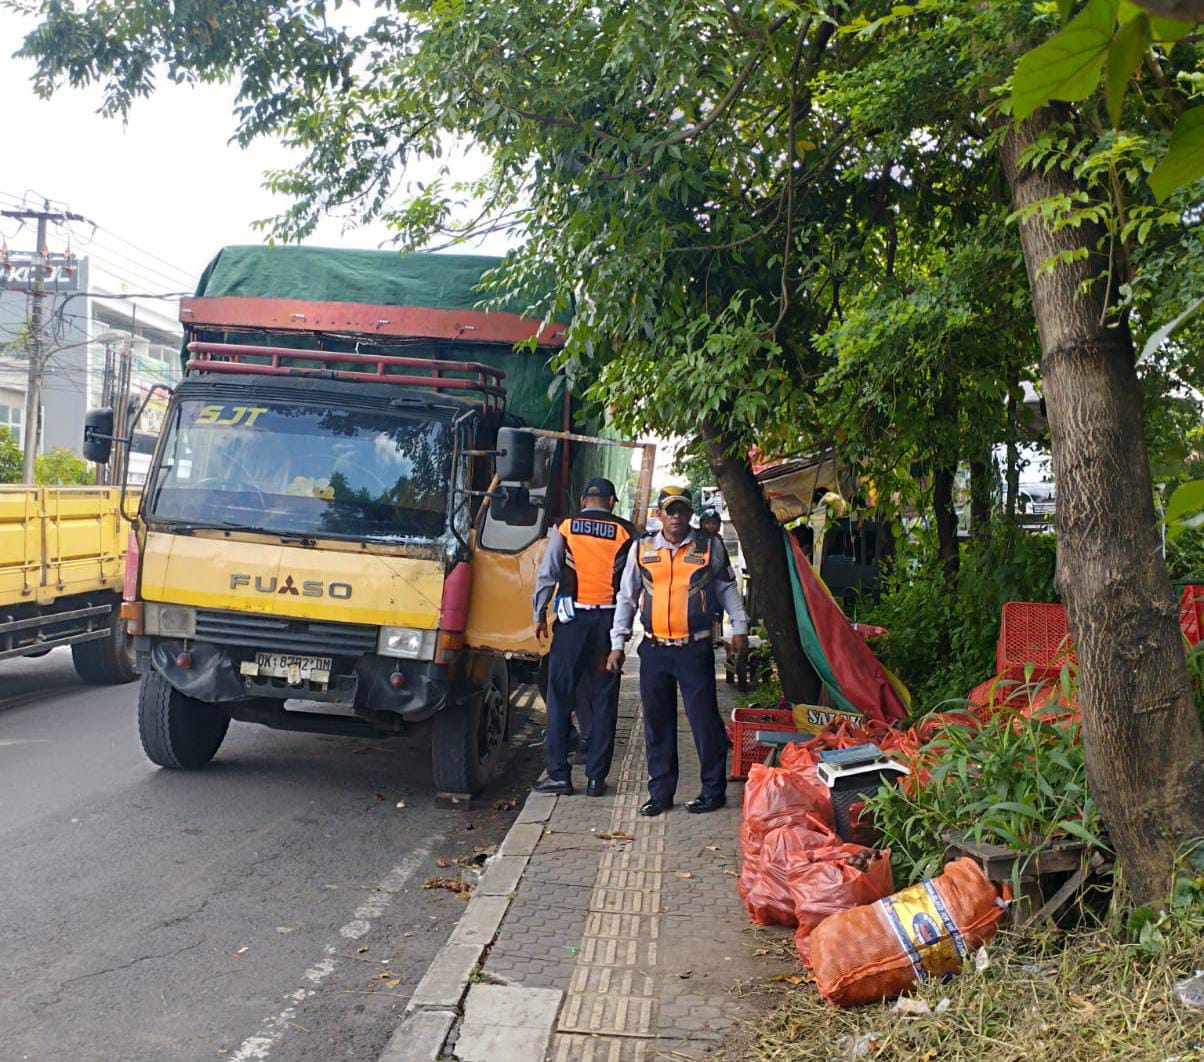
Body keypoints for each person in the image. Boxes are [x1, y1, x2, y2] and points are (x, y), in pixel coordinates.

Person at [607, 486, 748, 817]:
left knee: (704, 722)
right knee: (657, 723)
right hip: (654, 650)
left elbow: (726, 587)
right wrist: (617, 643)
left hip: (694, 649)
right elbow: (626, 597)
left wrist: (739, 628)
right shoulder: (641, 548)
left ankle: (713, 791)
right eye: (670, 511)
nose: (676, 517)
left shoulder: (708, 546)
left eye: (682, 511)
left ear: (689, 514)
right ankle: (660, 792)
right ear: (659, 514)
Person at [531, 478, 637, 797]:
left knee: (560, 694)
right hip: (608, 623)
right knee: (604, 698)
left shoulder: (566, 527)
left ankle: (559, 776)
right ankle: (595, 778)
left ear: (582, 500)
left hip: (572, 622)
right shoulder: (627, 532)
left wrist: (539, 613)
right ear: (612, 502)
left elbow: (548, 572)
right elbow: (632, 585)